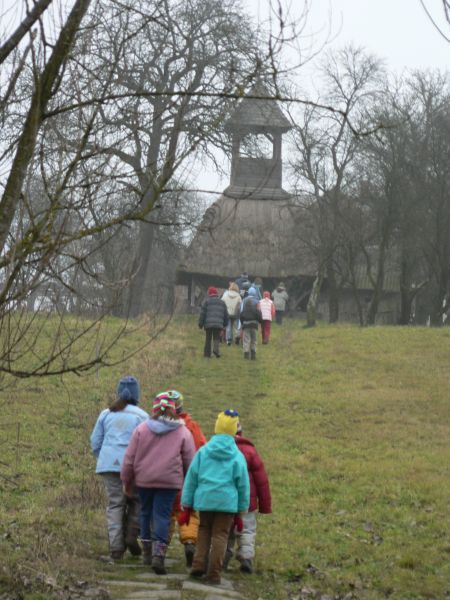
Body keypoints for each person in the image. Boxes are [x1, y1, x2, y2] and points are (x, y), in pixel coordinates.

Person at [121, 393, 196, 574]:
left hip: (144, 479)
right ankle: (159, 555)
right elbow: (190, 460)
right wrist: (189, 482)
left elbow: (129, 459)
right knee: (162, 515)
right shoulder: (183, 432)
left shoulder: (141, 429)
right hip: (169, 482)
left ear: (154, 409)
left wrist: (127, 480)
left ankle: (147, 553)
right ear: (173, 410)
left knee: (146, 513)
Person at [180, 410, 250, 586]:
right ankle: (214, 573)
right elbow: (243, 485)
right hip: (227, 504)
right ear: (234, 430)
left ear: (217, 427)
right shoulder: (237, 456)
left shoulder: (204, 452)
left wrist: (187, 504)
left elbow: (191, 478)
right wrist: (241, 511)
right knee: (220, 536)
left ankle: (198, 565)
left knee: (203, 531)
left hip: (205, 500)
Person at [90, 376, 148, 560]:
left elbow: (95, 442)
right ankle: (132, 535)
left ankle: (116, 548)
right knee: (136, 501)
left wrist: (104, 458)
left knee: (115, 504)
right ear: (137, 395)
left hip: (108, 466)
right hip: (133, 467)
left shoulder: (106, 414)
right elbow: (146, 444)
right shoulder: (142, 416)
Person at [224, 420, 272, 574]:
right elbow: (261, 480)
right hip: (247, 503)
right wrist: (265, 505)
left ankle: (221, 558)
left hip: (224, 501)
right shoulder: (250, 451)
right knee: (246, 530)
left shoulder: (220, 449)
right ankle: (246, 557)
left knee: (224, 530)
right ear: (240, 433)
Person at [167, 390, 207, 567]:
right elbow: (202, 448)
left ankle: (159, 545)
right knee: (188, 511)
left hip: (167, 477)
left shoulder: (161, 427)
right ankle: (190, 541)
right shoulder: (192, 426)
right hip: (189, 479)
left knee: (165, 514)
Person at [198, 286, 229, 358]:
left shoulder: (206, 302)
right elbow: (225, 314)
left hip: (208, 324)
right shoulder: (222, 302)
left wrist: (200, 323)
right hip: (218, 324)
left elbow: (203, 314)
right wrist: (225, 323)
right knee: (216, 337)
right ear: (216, 293)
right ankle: (216, 350)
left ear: (210, 293)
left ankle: (207, 354)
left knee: (208, 339)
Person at [240, 286, 262, 360]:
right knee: (254, 340)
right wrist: (260, 322)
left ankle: (246, 354)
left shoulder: (245, 300)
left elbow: (241, 313)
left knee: (246, 339)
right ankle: (253, 355)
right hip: (254, 324)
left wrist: (242, 323)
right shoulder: (257, 300)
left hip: (246, 323)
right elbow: (259, 313)